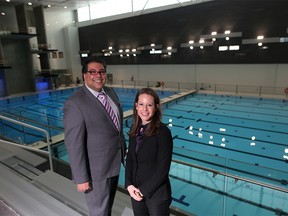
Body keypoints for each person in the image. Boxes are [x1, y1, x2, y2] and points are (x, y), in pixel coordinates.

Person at [63, 56, 126, 216]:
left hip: (114, 162)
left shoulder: (110, 92)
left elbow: (115, 128)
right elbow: (73, 143)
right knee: (99, 212)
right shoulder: (75, 103)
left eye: (102, 71)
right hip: (95, 171)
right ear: (85, 75)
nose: (98, 75)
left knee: (108, 207)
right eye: (93, 72)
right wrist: (81, 177)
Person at [125, 87, 173, 216]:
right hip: (136, 192)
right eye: (141, 104)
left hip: (156, 195)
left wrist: (143, 190)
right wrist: (129, 184)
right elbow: (130, 158)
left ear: (156, 107)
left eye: (149, 105)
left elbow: (163, 170)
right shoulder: (134, 129)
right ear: (136, 106)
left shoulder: (163, 132)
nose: (144, 109)